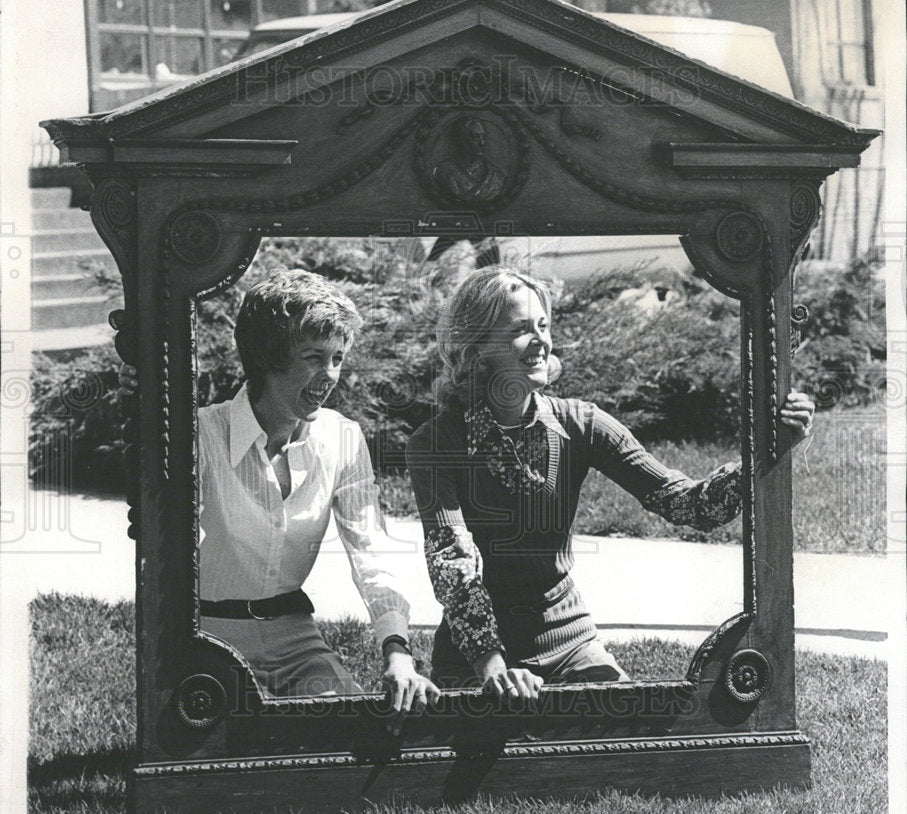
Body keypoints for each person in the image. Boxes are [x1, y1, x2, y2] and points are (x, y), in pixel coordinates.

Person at [405, 267, 815, 701]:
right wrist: (493, 669)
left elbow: (687, 505)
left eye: (544, 326)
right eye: (521, 330)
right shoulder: (434, 443)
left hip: (571, 644)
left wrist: (767, 451)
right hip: (474, 659)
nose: (541, 340)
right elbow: (454, 565)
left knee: (624, 730)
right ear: (476, 349)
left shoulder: (582, 423)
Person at [188, 269, 438, 725]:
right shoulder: (202, 435)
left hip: (295, 637)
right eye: (313, 357)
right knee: (243, 743)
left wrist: (398, 650)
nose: (330, 375)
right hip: (210, 635)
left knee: (356, 732)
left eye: (338, 358)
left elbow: (372, 551)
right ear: (268, 356)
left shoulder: (342, 438)